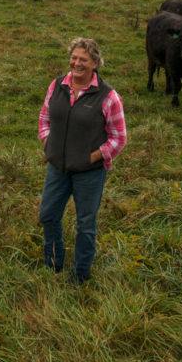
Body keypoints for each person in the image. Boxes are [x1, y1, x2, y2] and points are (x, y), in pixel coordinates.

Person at [37, 37, 127, 284]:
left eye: (83, 60)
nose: (77, 63)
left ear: (95, 63)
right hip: (58, 167)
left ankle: (80, 275)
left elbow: (119, 138)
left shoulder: (109, 97)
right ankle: (53, 264)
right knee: (48, 215)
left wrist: (92, 157)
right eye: (74, 58)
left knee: (85, 224)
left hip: (89, 172)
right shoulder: (56, 86)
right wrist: (49, 144)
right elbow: (44, 119)